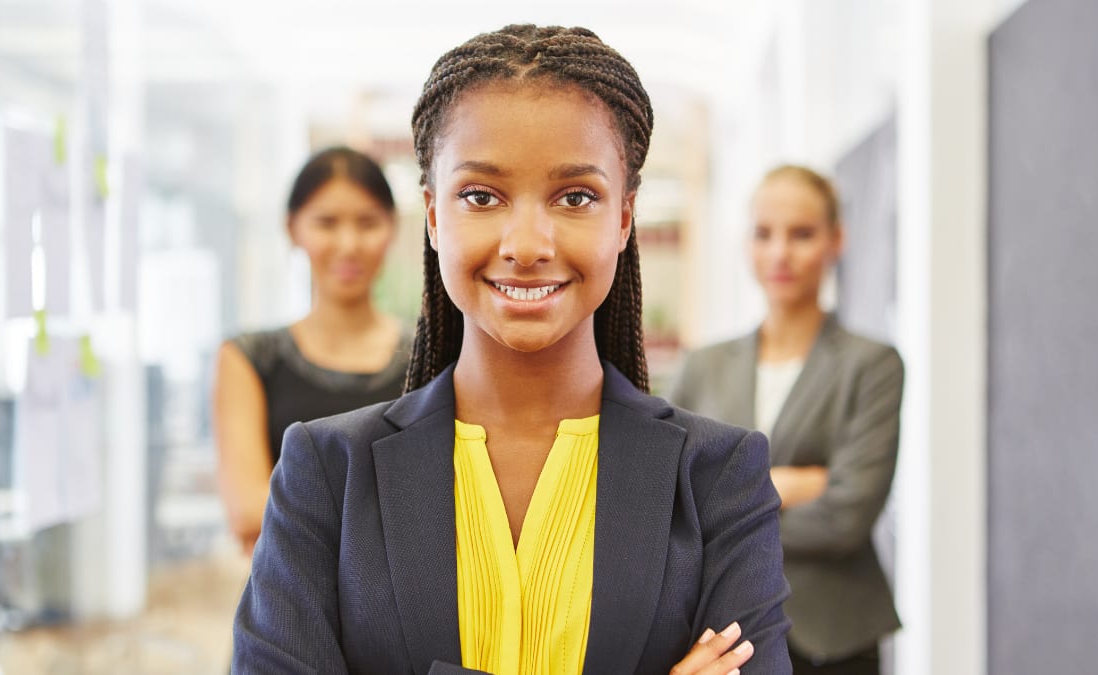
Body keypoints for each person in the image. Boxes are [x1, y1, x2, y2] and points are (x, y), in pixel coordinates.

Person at [233, 25, 791, 674]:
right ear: (435, 215)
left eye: (575, 196)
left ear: (624, 217)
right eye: (481, 196)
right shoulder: (327, 472)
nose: (527, 243)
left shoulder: (718, 477)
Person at [667, 165, 904, 674]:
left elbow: (847, 516)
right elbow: (668, 501)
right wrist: (790, 485)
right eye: (764, 234)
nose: (780, 253)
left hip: (833, 638)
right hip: (720, 641)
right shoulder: (702, 366)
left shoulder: (872, 365)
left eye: (802, 234)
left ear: (836, 240)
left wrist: (729, 510)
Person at [213, 147, 411, 555]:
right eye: (326, 223)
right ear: (293, 229)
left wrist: (295, 512)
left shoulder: (431, 355)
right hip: (289, 608)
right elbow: (248, 511)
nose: (348, 244)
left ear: (391, 228)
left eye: (367, 222)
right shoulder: (250, 358)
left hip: (407, 616)